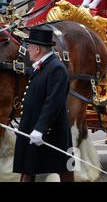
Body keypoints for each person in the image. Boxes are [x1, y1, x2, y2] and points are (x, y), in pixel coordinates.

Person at [13, 27, 73, 182]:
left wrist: (40, 129)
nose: (27, 50)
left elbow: (53, 102)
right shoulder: (43, 66)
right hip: (34, 127)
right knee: (28, 169)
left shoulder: (56, 69)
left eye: (29, 46)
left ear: (38, 49)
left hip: (52, 130)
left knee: (64, 171)